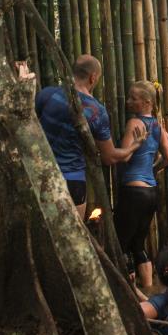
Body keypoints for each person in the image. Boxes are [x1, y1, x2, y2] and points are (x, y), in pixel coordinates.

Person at [35, 54, 144, 217]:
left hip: (39, 175)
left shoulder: (47, 94)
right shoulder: (96, 111)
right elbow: (110, 157)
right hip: (72, 181)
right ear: (93, 77)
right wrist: (135, 145)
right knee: (74, 237)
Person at [116, 81, 168, 287]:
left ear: (147, 102)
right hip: (151, 192)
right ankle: (149, 291)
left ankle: (130, 293)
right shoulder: (158, 126)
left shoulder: (134, 124)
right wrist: (153, 169)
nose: (129, 101)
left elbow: (123, 156)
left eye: (133, 98)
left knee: (121, 244)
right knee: (138, 245)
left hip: (133, 191)